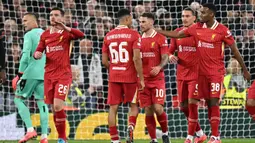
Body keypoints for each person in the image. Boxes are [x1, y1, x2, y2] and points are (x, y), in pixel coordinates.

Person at [157, 3, 250, 143]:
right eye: (200, 12)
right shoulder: (197, 28)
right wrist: (157, 30)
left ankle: (215, 136)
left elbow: (234, 50)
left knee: (213, 102)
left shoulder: (222, 30)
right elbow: (176, 34)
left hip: (215, 73)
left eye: (203, 12)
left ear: (211, 14)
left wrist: (245, 69)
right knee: (199, 104)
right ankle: (201, 134)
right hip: (200, 74)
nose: (201, 15)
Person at [34, 7, 84, 143]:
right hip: (48, 75)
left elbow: (81, 35)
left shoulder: (66, 33)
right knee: (54, 108)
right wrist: (37, 54)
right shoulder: (45, 35)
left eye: (56, 15)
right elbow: (39, 49)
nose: (53, 17)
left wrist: (65, 27)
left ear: (62, 17)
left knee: (57, 106)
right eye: (51, 15)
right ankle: (61, 137)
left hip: (63, 75)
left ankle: (62, 137)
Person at [102, 9, 144, 143]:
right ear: (128, 19)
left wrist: (114, 68)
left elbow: (104, 61)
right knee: (133, 106)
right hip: (130, 77)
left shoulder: (108, 36)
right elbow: (137, 59)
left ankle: (114, 140)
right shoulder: (134, 34)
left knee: (113, 108)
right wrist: (141, 78)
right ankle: (130, 127)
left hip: (114, 76)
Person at [169, 7, 206, 143]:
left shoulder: (200, 32)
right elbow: (169, 50)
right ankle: (200, 133)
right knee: (183, 107)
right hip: (181, 75)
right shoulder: (177, 33)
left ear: (194, 18)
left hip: (196, 75)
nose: (184, 18)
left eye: (187, 16)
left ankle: (189, 138)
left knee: (192, 105)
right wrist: (171, 56)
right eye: (183, 16)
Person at [11, 13, 49, 143]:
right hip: (45, 74)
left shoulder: (29, 35)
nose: (24, 23)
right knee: (42, 104)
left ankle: (30, 129)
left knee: (18, 99)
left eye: (26, 20)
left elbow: (26, 55)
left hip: (30, 73)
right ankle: (44, 136)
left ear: (34, 21)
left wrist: (19, 75)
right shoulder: (47, 34)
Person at [139, 12, 170, 143]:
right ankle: (153, 139)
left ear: (151, 22)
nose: (141, 24)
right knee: (148, 110)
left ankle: (165, 133)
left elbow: (165, 57)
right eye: (140, 22)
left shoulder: (160, 38)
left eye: (143, 22)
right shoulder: (138, 39)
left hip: (157, 79)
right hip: (143, 80)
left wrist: (158, 67)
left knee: (158, 108)